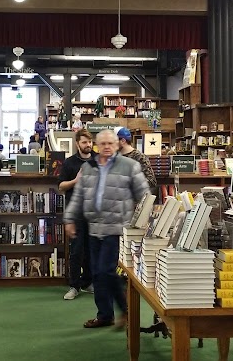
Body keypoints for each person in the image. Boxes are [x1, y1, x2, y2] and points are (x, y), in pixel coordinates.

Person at [64, 130, 149, 329]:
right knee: (97, 274)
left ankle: (125, 309)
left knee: (105, 270)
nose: (107, 147)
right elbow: (78, 197)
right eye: (103, 144)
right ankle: (105, 315)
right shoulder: (88, 168)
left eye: (111, 143)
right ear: (97, 145)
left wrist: (142, 223)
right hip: (94, 228)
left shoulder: (129, 166)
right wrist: (69, 219)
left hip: (117, 228)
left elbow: (144, 195)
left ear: (117, 144)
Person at [58, 129, 94, 300]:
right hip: (76, 212)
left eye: (90, 142)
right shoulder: (70, 163)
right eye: (84, 142)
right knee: (76, 251)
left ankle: (87, 282)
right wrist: (76, 180)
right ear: (77, 143)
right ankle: (74, 286)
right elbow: (61, 186)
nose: (88, 145)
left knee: (91, 250)